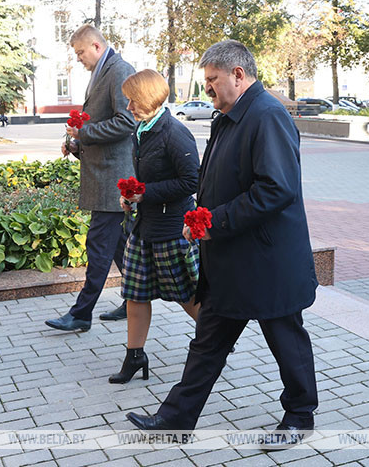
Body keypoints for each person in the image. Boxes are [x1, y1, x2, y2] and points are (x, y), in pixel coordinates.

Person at [125, 40, 319, 449]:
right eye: (206, 81)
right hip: (232, 259)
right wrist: (199, 219)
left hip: (267, 261)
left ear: (238, 75)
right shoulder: (230, 116)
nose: (208, 89)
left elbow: (276, 188)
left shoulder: (267, 116)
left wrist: (214, 222)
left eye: (212, 80)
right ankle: (176, 417)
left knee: (286, 338)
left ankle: (300, 415)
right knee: (208, 342)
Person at [109, 69, 201, 384]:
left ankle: (215, 341)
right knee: (136, 294)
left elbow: (191, 181)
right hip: (143, 228)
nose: (129, 106)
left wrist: (145, 193)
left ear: (148, 98)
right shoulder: (143, 129)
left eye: (133, 100)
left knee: (187, 294)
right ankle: (135, 356)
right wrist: (132, 198)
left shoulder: (174, 133)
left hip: (171, 229)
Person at [44, 24, 136, 332]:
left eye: (81, 52)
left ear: (96, 46)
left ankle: (81, 313)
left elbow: (127, 121)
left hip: (113, 179)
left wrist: (85, 133)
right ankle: (134, 299)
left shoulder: (119, 69)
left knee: (98, 245)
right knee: (121, 246)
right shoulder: (103, 70)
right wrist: (77, 143)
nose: (79, 59)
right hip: (105, 175)